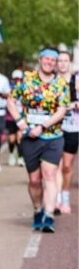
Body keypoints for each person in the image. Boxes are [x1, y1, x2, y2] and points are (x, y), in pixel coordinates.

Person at [8, 47, 69, 233]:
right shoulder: (27, 81)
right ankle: (37, 209)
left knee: (50, 175)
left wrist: (42, 126)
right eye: (47, 59)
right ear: (40, 60)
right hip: (30, 139)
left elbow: (62, 110)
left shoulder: (61, 84)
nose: (50, 62)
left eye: (54, 60)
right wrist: (20, 122)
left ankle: (48, 216)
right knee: (34, 180)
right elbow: (11, 100)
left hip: (53, 137)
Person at [57, 51, 77, 214]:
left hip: (73, 126)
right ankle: (55, 197)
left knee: (67, 166)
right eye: (60, 61)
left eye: (65, 60)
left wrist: (75, 104)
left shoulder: (77, 80)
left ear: (70, 62)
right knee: (54, 165)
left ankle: (65, 197)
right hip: (55, 127)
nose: (62, 63)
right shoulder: (52, 81)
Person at [5, 70, 25, 166]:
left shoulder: (25, 88)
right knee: (12, 139)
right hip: (10, 118)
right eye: (16, 79)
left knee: (20, 137)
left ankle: (21, 157)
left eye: (20, 79)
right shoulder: (9, 89)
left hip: (22, 116)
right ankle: (11, 154)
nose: (18, 81)